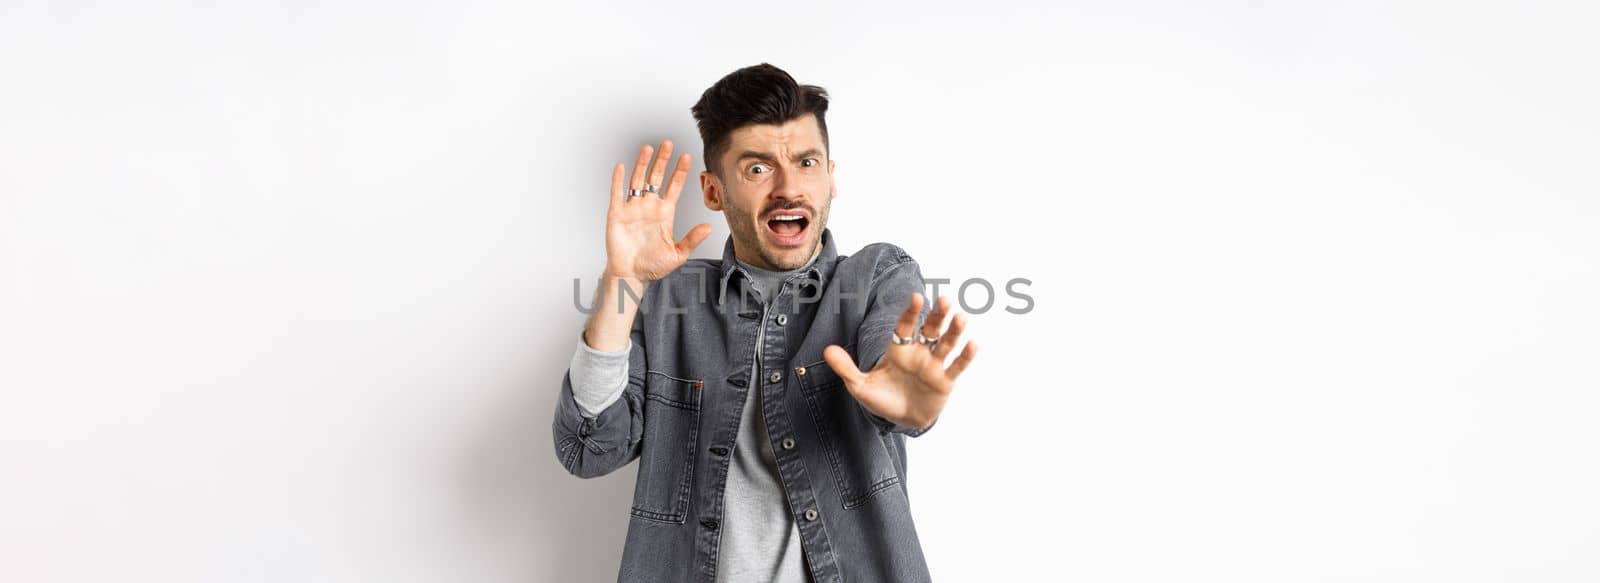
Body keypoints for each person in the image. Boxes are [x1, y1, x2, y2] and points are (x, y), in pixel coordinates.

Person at [552, 63, 977, 583]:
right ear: (713, 191)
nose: (788, 188)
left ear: (831, 176)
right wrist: (622, 281)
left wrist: (903, 402)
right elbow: (587, 448)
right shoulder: (665, 299)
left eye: (806, 162)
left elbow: (891, 371)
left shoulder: (877, 277)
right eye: (757, 169)